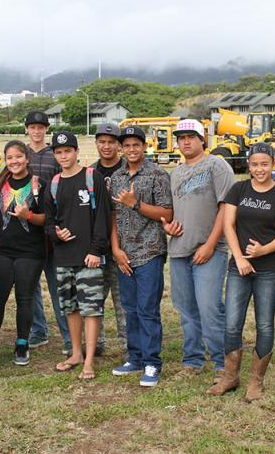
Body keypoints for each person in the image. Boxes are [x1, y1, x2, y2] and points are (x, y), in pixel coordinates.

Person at [207, 143, 275, 399]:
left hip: (269, 269)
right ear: (249, 165)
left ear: (273, 164)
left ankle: (256, 381)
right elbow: (228, 225)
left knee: (264, 325)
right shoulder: (239, 189)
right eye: (255, 164)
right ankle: (230, 376)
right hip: (239, 268)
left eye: (264, 164)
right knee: (232, 324)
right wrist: (240, 258)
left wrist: (262, 251)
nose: (259, 169)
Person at [162, 119, 234, 379]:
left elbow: (226, 207)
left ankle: (222, 362)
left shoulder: (217, 165)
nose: (185, 142)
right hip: (180, 249)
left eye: (191, 136)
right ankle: (192, 360)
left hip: (210, 249)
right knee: (186, 308)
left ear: (202, 139)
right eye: (181, 138)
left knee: (209, 306)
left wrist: (211, 244)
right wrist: (167, 227)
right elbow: (173, 210)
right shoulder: (176, 173)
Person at [109, 126, 173, 387]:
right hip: (124, 254)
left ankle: (151, 362)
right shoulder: (116, 177)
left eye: (137, 144)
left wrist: (135, 203)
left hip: (150, 252)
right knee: (130, 309)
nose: (132, 149)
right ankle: (134, 358)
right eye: (127, 145)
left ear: (144, 147)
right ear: (121, 149)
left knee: (148, 310)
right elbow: (113, 216)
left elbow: (167, 214)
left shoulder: (158, 174)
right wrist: (116, 250)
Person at [45, 131, 110, 380]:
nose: (63, 156)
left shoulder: (93, 178)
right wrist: (55, 233)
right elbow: (49, 222)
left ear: (76, 152)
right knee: (70, 308)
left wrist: (96, 251)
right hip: (63, 258)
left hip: (88, 259)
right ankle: (75, 353)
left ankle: (90, 361)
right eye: (59, 152)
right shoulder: (54, 183)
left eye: (67, 151)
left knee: (91, 309)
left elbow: (103, 220)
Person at [0, 140, 47, 365]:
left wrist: (28, 215)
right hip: (4, 251)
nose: (14, 161)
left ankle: (22, 343)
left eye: (18, 157)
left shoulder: (39, 184)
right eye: (9, 158)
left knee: (24, 297)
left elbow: (46, 219)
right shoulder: (0, 185)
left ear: (27, 158)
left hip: (31, 252)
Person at [24, 111, 70, 354]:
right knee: (30, 286)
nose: (37, 131)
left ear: (46, 130)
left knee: (57, 286)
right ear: (27, 129)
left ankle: (68, 336)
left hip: (51, 228)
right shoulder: (21, 154)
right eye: (33, 127)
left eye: (41, 127)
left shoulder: (55, 154)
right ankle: (39, 330)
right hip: (28, 229)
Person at [90, 122, 127, 355]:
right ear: (96, 144)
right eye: (102, 142)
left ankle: (127, 347)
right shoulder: (89, 172)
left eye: (111, 142)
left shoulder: (128, 169)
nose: (106, 146)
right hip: (97, 245)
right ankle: (97, 345)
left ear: (118, 145)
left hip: (125, 245)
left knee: (122, 301)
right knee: (94, 298)